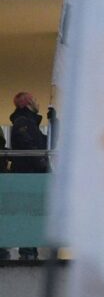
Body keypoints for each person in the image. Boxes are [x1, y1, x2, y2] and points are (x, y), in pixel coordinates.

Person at [9, 92, 48, 260]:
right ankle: (27, 251)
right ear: (27, 104)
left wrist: (55, 123)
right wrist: (42, 163)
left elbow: (45, 142)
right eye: (34, 100)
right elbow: (29, 147)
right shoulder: (22, 122)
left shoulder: (31, 123)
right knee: (27, 214)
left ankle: (30, 250)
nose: (37, 102)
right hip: (27, 177)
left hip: (31, 176)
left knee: (31, 214)